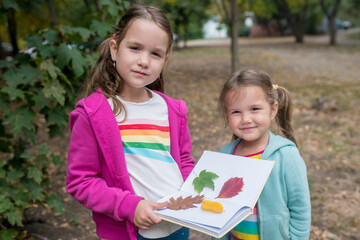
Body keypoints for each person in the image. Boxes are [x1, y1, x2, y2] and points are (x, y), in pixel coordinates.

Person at [66, 4, 194, 240]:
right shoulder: (93, 114)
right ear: (115, 49)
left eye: (155, 54)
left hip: (178, 226)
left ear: (165, 59)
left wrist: (192, 191)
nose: (144, 61)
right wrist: (130, 206)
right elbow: (81, 182)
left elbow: (183, 160)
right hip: (128, 232)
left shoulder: (173, 110)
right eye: (135, 48)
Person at [214, 69, 311, 240]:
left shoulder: (286, 156)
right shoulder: (225, 156)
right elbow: (219, 207)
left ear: (273, 110)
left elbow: (300, 209)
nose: (245, 119)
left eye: (254, 109)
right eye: (236, 112)